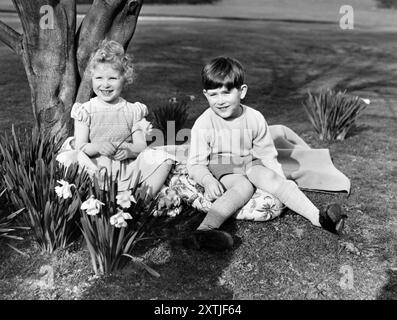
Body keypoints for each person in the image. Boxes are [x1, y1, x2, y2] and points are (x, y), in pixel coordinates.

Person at [186, 56, 347, 251]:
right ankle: (205, 230)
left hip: (249, 160)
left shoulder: (254, 118)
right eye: (213, 95)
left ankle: (318, 218)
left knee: (267, 176)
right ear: (205, 95)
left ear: (242, 92)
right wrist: (207, 180)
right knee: (243, 186)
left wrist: (280, 182)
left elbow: (267, 154)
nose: (220, 101)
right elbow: (195, 163)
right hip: (222, 163)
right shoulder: (204, 123)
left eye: (226, 93)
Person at [71, 39, 173, 200]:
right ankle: (93, 198)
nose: (105, 84)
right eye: (99, 78)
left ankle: (141, 200)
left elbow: (141, 146)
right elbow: (80, 147)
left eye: (112, 78)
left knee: (164, 159)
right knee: (67, 158)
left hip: (126, 167)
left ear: (125, 78)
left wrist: (128, 151)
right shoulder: (85, 110)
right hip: (96, 168)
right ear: (91, 78)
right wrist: (98, 146)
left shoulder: (133, 111)